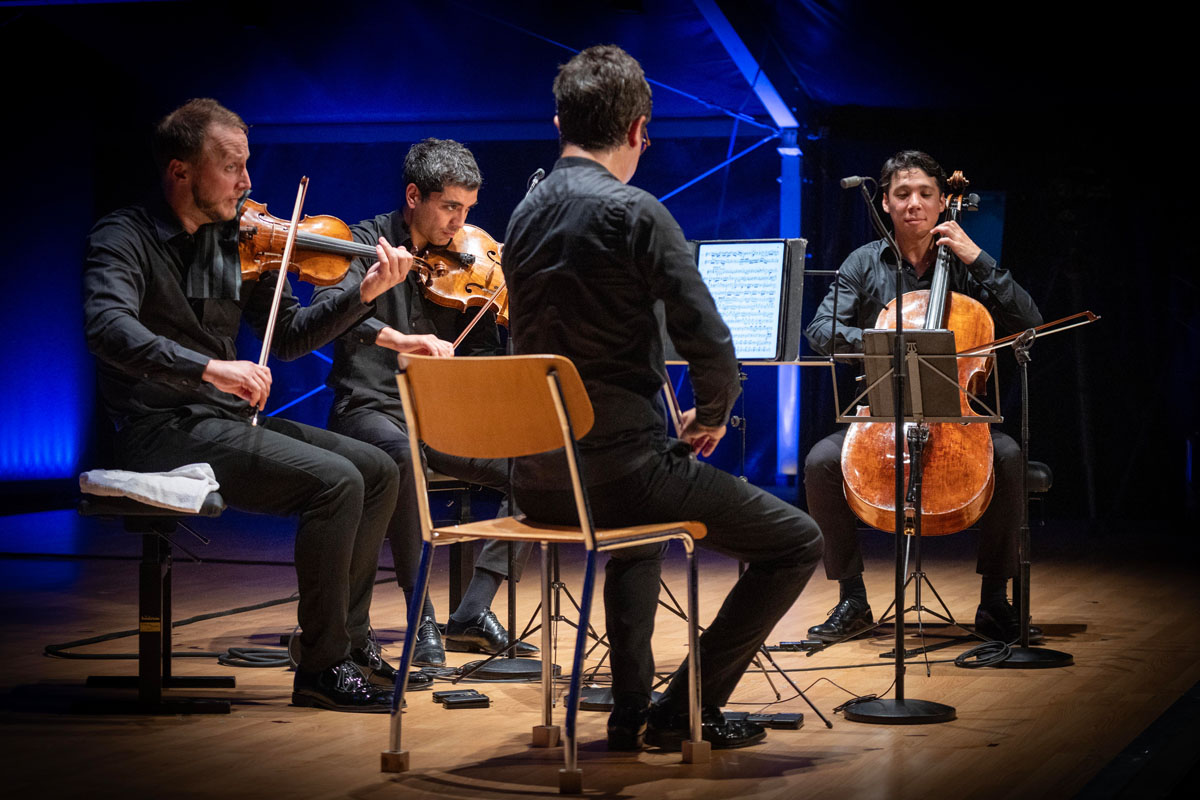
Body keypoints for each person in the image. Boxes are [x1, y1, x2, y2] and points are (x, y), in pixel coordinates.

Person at [503, 45, 823, 752]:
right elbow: (709, 339)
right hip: (620, 479)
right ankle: (683, 711)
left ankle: (629, 713)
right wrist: (712, 414)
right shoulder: (635, 211)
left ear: (559, 124)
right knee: (797, 541)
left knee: (641, 526)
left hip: (539, 480)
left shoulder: (521, 218)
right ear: (638, 130)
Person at [83, 98, 414, 713]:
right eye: (232, 166)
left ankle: (349, 642)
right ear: (181, 171)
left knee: (378, 469)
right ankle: (320, 666)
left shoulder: (230, 243)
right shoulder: (124, 236)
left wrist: (364, 294)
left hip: (220, 422)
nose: (247, 181)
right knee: (337, 482)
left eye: (247, 164)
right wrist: (209, 367)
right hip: (156, 429)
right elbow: (107, 327)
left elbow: (287, 337)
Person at [803, 149, 1044, 644]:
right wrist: (884, 342)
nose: (914, 203)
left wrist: (978, 258)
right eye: (902, 194)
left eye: (925, 194)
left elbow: (1029, 323)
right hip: (882, 415)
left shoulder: (967, 263)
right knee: (820, 463)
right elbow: (820, 329)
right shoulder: (863, 263)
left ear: (940, 202)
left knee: (1009, 458)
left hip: (958, 418)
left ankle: (994, 601)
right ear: (886, 203)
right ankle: (852, 599)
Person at [315, 138, 535, 667]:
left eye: (468, 210)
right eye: (450, 207)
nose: (460, 223)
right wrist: (399, 339)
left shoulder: (468, 261)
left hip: (439, 420)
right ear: (414, 196)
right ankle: (421, 614)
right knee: (402, 455)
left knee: (538, 467)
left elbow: (480, 357)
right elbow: (329, 315)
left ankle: (473, 609)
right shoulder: (363, 244)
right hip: (369, 411)